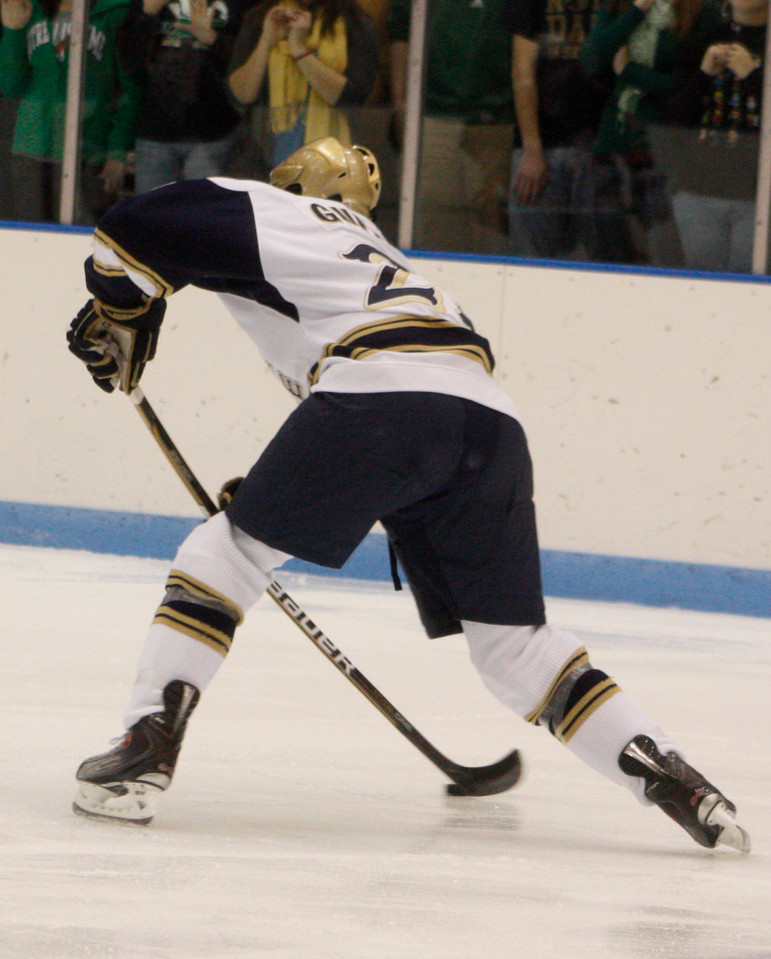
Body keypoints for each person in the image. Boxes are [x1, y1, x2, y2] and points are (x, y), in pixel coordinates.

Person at [65, 136, 749, 854]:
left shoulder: (274, 211)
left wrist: (123, 311)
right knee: (515, 651)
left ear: (299, 184)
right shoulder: (393, 263)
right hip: (487, 424)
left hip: (384, 403)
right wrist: (287, 489)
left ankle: (146, 746)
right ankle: (675, 780)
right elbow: (402, 415)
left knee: (225, 555)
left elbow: (127, 227)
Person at [580, 0, 723, 265]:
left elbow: (695, 89)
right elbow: (592, 59)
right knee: (605, 260)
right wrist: (637, 10)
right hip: (611, 151)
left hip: (663, 155)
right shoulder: (618, 4)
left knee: (663, 259)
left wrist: (629, 72)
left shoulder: (702, 9)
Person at [505, 0, 640, 263]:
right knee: (531, 261)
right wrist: (533, 150)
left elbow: (625, 68)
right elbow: (523, 72)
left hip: (599, 149)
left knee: (607, 260)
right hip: (542, 146)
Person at [387, 0, 514, 255]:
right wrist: (401, 104)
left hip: (495, 121)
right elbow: (401, 35)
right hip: (431, 117)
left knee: (492, 225)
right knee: (436, 223)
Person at [0, 0, 140, 224]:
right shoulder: (30, 7)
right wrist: (13, 30)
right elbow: (11, 85)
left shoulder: (115, 12)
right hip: (30, 148)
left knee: (85, 239)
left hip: (87, 150)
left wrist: (117, 150)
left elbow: (130, 89)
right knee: (30, 238)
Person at [659, 0, 766, 273]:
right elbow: (672, 120)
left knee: (750, 289)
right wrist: (703, 75)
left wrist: (753, 76)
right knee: (703, 286)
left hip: (760, 193)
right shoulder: (702, 43)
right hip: (700, 189)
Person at [227, 0, 379, 170]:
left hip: (330, 164)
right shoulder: (262, 17)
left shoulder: (355, 22)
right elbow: (241, 95)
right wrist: (266, 41)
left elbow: (352, 99)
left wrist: (299, 50)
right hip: (266, 154)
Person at [117, 0, 245, 196]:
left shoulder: (237, 6)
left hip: (215, 130)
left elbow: (249, 64)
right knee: (150, 216)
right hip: (155, 128)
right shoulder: (148, 4)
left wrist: (212, 38)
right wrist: (147, 14)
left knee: (201, 217)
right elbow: (129, 65)